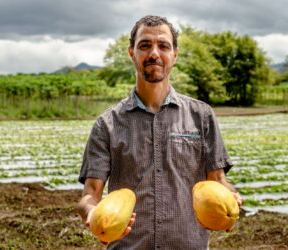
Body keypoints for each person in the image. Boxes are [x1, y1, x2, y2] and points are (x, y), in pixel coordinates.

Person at [76, 15, 243, 250]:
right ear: (131, 53)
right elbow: (90, 194)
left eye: (163, 46)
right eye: (144, 45)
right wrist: (92, 214)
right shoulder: (107, 125)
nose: (154, 53)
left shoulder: (202, 116)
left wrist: (232, 199)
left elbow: (218, 182)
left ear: (174, 54)